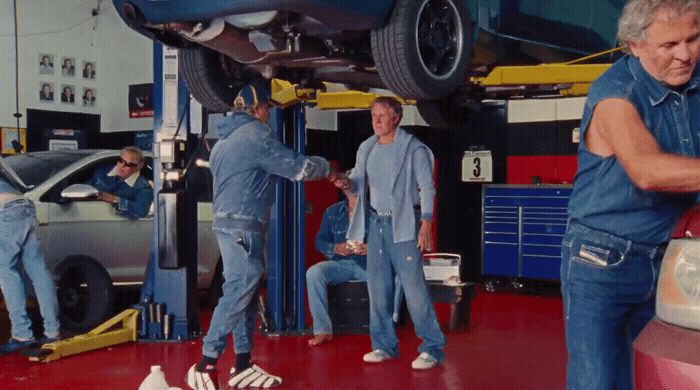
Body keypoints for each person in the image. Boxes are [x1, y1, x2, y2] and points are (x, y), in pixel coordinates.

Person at [561, 1, 700, 389]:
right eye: (669, 44)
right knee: (598, 382)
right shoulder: (614, 94)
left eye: (694, 38)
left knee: (659, 377)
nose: (685, 54)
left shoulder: (695, 79)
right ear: (634, 46)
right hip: (602, 261)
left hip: (671, 260)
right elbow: (647, 170)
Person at [186, 83, 341, 389]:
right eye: (267, 108)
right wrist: (331, 171)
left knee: (244, 291)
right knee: (240, 288)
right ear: (256, 110)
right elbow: (298, 168)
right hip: (243, 224)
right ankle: (206, 361)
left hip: (233, 223)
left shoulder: (223, 140)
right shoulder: (255, 135)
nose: (269, 113)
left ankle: (242, 363)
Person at [338, 96, 445, 370]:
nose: (375, 121)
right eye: (373, 115)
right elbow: (357, 186)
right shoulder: (367, 147)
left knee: (414, 290)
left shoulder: (414, 149)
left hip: (405, 226)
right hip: (376, 225)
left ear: (396, 117)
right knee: (378, 289)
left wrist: (426, 223)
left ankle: (431, 348)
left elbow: (427, 188)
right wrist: (345, 182)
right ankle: (384, 346)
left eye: (381, 116)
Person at [306, 188, 405, 347]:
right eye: (349, 185)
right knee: (314, 273)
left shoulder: (379, 212)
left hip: (369, 264)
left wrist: (371, 249)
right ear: (343, 188)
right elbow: (320, 242)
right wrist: (335, 248)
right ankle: (322, 330)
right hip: (340, 264)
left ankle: (385, 331)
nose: (353, 189)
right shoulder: (332, 212)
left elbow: (392, 243)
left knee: (386, 277)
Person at [0, 162, 60, 353]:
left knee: (6, 271)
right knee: (38, 271)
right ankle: (53, 332)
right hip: (24, 206)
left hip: (5, 212)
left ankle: (22, 334)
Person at [87, 146, 152, 219]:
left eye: (128, 164)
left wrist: (116, 199)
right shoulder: (101, 172)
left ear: (138, 167)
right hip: (91, 215)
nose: (122, 166)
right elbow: (84, 189)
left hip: (120, 224)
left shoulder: (142, 187)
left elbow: (142, 211)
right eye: (121, 160)